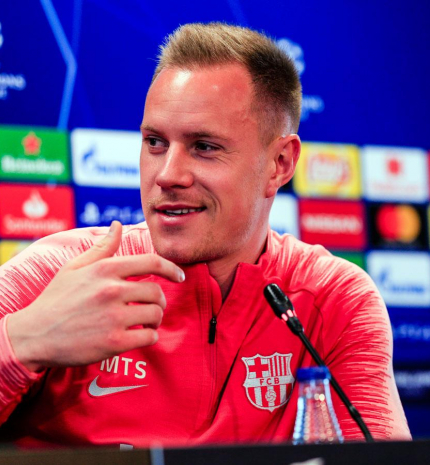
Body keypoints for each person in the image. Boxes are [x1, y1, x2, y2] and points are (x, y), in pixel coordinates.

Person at [0, 23, 410, 448]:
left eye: (204, 147)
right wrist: (25, 341)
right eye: (155, 142)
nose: (167, 175)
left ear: (280, 164)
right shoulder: (58, 273)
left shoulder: (335, 299)